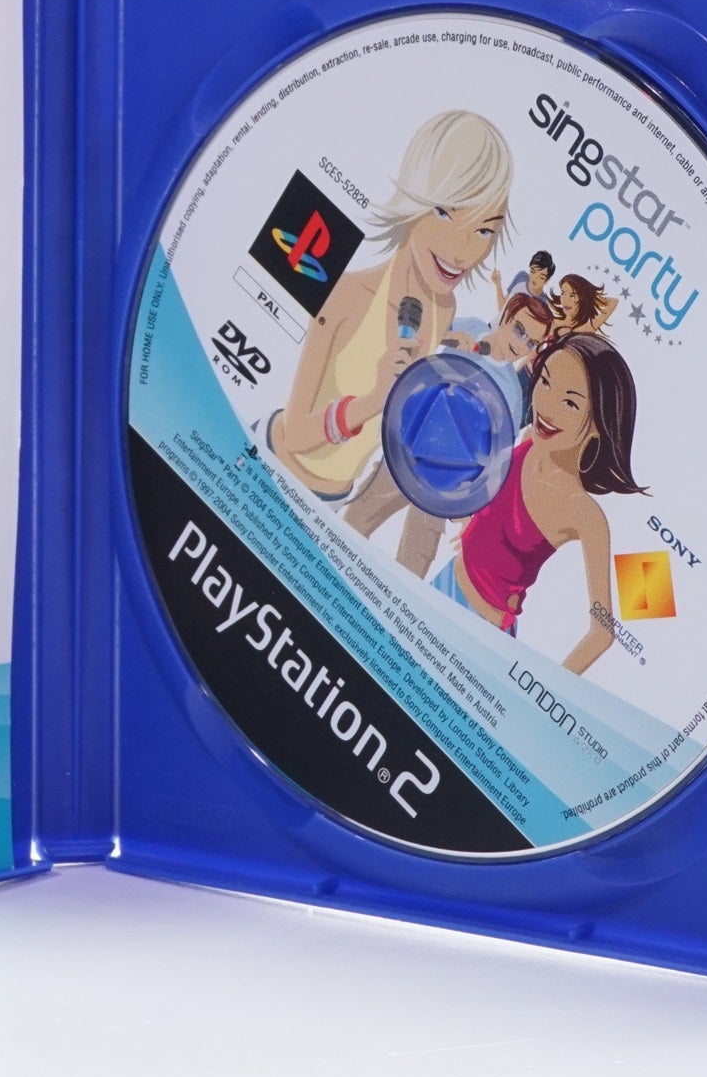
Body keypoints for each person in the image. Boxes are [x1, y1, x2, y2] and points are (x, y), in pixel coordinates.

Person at [270, 111, 513, 577]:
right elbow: (296, 434)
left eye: (485, 229)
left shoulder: (442, 306)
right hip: (272, 478)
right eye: (445, 212)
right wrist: (370, 402)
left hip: (332, 502)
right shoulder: (349, 296)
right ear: (414, 199)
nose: (463, 250)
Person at [424, 333, 644, 676]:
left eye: (570, 403)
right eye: (546, 382)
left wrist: (541, 690)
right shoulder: (528, 440)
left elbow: (603, 632)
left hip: (482, 633)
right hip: (444, 584)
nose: (547, 406)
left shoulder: (585, 515)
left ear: (599, 424)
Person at [552, 272, 615, 338]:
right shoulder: (553, 322)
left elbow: (613, 301)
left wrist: (589, 297)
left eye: (572, 295)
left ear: (582, 298)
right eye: (563, 293)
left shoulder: (586, 328)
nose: (565, 300)